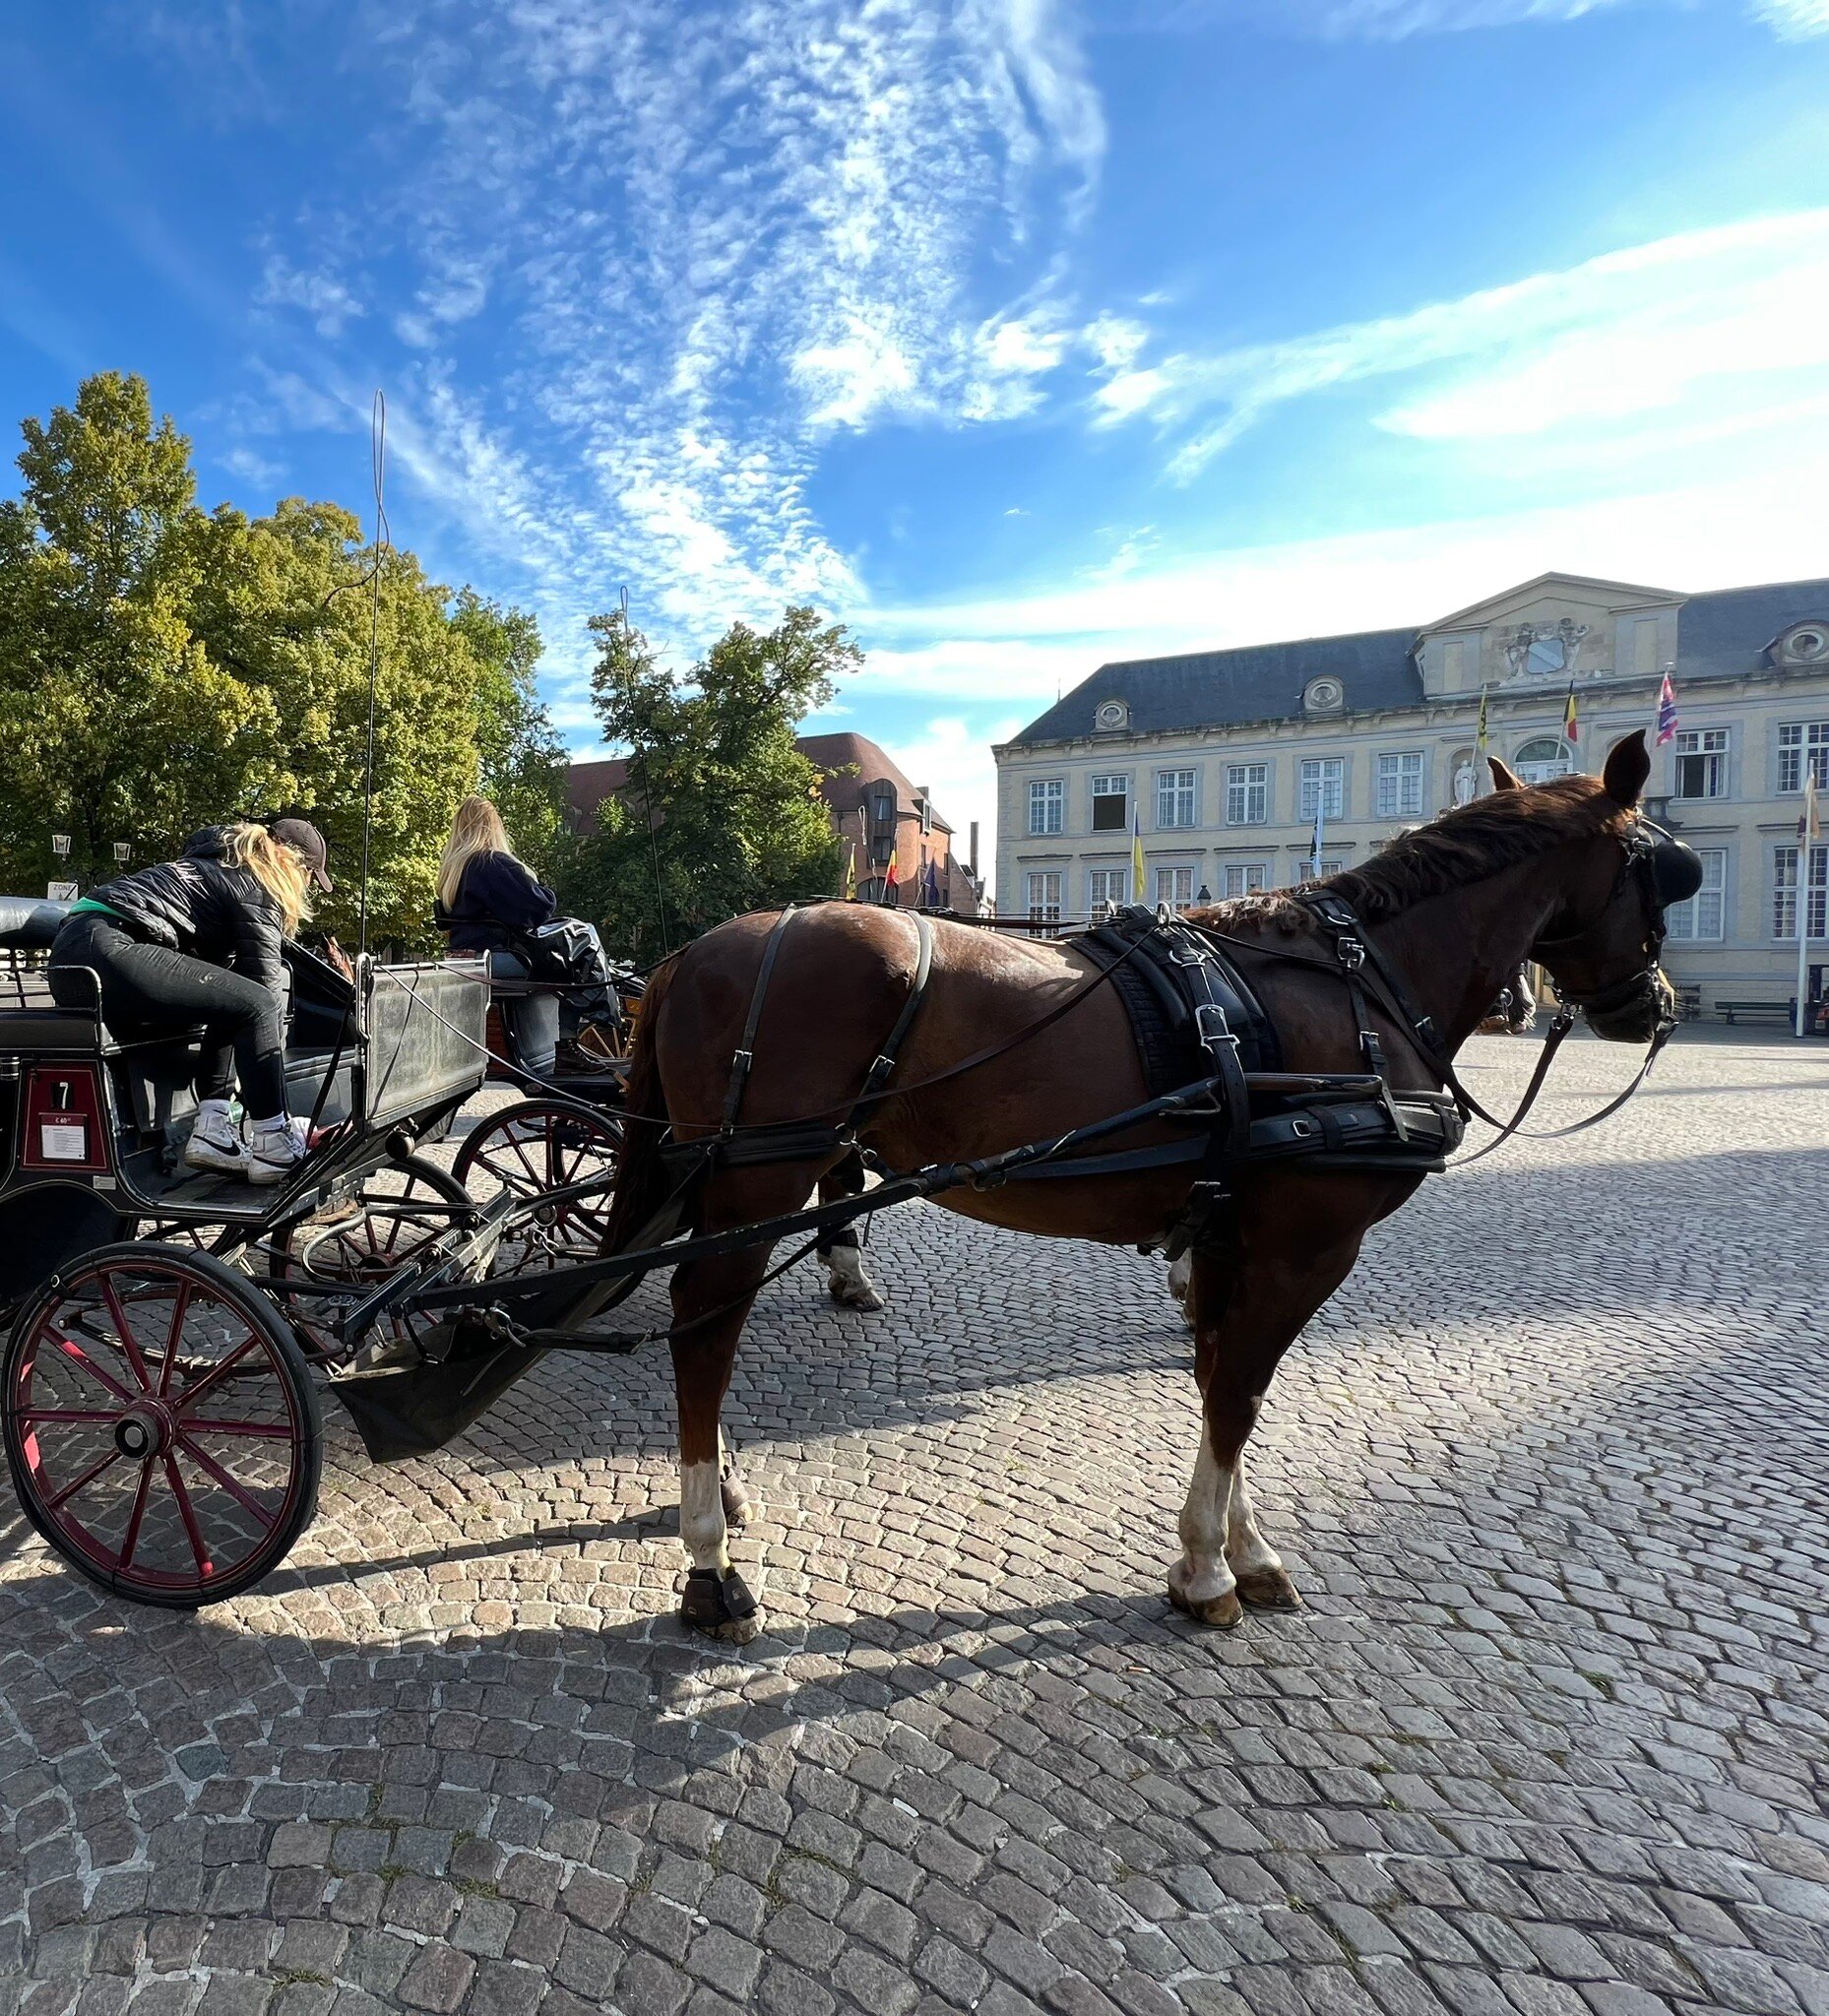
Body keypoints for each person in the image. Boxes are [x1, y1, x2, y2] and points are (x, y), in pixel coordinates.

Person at [47, 818, 333, 1183]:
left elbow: (235, 994)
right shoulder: (258, 885)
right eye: (310, 875)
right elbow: (264, 991)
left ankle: (213, 1130)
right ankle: (274, 1143)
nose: (307, 886)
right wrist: (278, 1114)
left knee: (236, 1002)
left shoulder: (217, 867)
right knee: (258, 1003)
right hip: (112, 949)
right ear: (291, 861)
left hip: (76, 956)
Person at [434, 795, 612, 1077]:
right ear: (492, 826)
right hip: (499, 958)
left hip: (470, 957)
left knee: (569, 949)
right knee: (577, 952)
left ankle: (563, 1045)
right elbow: (540, 906)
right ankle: (567, 1044)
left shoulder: (454, 869)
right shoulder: (490, 863)